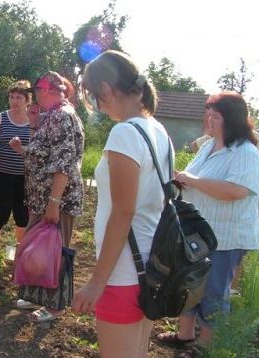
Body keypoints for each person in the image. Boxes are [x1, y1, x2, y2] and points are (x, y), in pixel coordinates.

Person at [72, 50, 172, 357]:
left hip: (123, 273)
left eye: (96, 100)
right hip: (148, 267)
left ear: (106, 90)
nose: (99, 108)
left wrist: (96, 282)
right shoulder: (157, 129)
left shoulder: (125, 133)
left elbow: (123, 211)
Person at [156, 91, 259, 358]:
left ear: (232, 120)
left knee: (213, 292)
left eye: (215, 116)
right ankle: (185, 336)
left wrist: (194, 181)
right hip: (198, 234)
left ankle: (206, 347)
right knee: (189, 284)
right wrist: (181, 180)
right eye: (208, 114)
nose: (209, 120)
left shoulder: (245, 152)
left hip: (224, 236)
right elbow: (194, 177)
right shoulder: (207, 146)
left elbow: (236, 190)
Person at [10, 71, 84, 322]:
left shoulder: (62, 116)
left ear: (50, 91)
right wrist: (30, 134)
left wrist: (53, 203)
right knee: (37, 248)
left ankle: (55, 305)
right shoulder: (50, 116)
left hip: (57, 200)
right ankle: (37, 296)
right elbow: (43, 153)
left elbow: (63, 164)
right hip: (42, 198)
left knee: (55, 250)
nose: (36, 97)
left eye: (37, 92)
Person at [0, 80, 32, 248]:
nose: (14, 101)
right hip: (1, 176)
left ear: (27, 100)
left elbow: (39, 149)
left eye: (19, 97)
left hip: (25, 179)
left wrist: (21, 148)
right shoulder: (1, 118)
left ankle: (23, 258)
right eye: (11, 97)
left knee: (23, 218)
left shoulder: (35, 121)